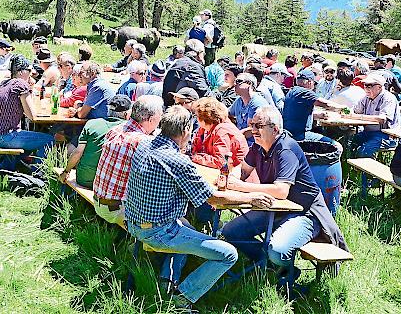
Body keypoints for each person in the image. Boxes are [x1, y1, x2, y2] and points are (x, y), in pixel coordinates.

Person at [125, 105, 274, 310]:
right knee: (228, 254)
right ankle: (183, 298)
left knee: (187, 224)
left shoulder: (145, 145)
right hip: (157, 231)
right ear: (187, 130)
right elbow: (213, 199)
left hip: (133, 221)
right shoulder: (178, 161)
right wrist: (251, 198)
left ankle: (167, 280)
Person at [220, 106, 348, 280]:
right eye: (252, 125)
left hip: (305, 212)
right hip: (276, 208)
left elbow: (281, 190)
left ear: (275, 129)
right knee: (230, 231)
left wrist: (239, 186)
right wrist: (230, 178)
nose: (253, 130)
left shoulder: (286, 149)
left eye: (259, 125)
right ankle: (270, 267)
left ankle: (282, 270)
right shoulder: (259, 146)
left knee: (278, 251)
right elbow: (243, 170)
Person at [92, 95, 164, 225]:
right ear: (151, 119)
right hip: (118, 209)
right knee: (170, 218)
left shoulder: (115, 130)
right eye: (160, 118)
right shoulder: (143, 142)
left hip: (99, 202)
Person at [0, 55, 55, 176]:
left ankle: (12, 166)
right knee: (49, 140)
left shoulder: (4, 83)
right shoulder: (21, 84)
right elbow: (32, 116)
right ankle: (37, 174)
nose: (31, 74)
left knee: (24, 134)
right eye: (29, 71)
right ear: (21, 71)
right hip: (2, 136)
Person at [58, 95, 132, 188]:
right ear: (126, 114)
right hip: (109, 182)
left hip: (84, 178)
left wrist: (66, 171)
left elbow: (78, 152)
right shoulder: (129, 131)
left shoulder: (92, 123)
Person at [282, 69, 346, 149]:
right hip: (299, 135)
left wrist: (316, 115)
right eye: (314, 83)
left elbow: (297, 113)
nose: (314, 86)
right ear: (309, 82)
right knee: (337, 146)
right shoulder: (305, 92)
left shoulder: (292, 91)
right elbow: (326, 104)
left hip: (289, 134)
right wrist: (343, 108)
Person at [351, 73, 401, 159]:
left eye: (369, 86)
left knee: (365, 150)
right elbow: (354, 111)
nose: (366, 88)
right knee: (349, 142)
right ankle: (352, 170)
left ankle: (366, 172)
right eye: (365, 85)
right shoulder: (366, 98)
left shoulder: (389, 98)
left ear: (379, 87)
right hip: (368, 132)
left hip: (386, 135)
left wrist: (360, 117)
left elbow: (382, 119)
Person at [191, 97, 248, 172]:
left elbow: (220, 162)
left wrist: (196, 157)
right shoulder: (204, 128)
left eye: (197, 116)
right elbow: (195, 147)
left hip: (236, 173)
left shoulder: (222, 131)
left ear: (204, 118)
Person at [162, 39, 213, 107]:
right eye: (203, 53)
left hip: (170, 106)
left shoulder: (177, 63)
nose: (204, 56)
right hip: (183, 109)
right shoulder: (193, 67)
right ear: (199, 53)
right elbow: (204, 92)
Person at [228, 72, 268, 144]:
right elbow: (227, 114)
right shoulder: (239, 101)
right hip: (241, 141)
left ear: (249, 84)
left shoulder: (257, 103)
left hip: (254, 145)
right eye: (235, 81)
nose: (234, 84)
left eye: (238, 81)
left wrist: (233, 137)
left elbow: (250, 130)